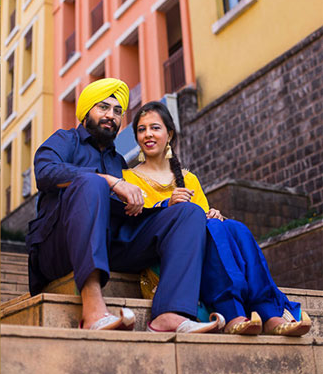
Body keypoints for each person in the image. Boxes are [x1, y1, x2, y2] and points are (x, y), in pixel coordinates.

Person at [25, 79, 224, 333]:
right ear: (86, 112)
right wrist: (108, 180)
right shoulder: (65, 140)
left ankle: (169, 314)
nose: (111, 115)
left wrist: (154, 206)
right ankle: (92, 311)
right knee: (92, 183)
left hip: (109, 244)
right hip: (58, 247)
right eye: (103, 108)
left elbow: (124, 212)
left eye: (118, 111)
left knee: (186, 213)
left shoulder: (117, 160)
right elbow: (44, 172)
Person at [123, 101, 311, 336]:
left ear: (169, 134)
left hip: (203, 249)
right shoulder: (127, 177)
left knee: (234, 227)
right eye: (141, 129)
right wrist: (167, 205)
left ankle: (269, 314)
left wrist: (212, 213)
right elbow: (135, 223)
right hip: (165, 255)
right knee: (213, 229)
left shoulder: (188, 179)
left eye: (155, 127)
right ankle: (233, 313)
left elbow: (202, 221)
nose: (148, 134)